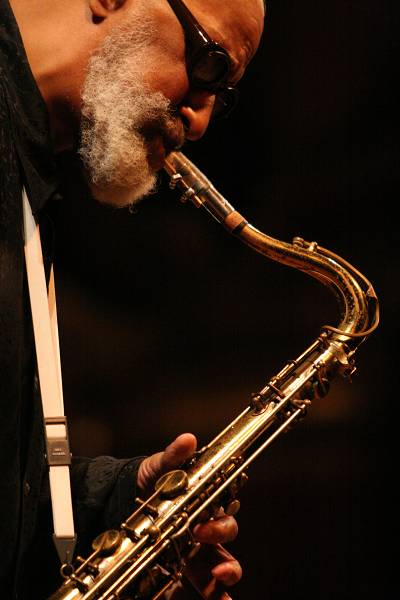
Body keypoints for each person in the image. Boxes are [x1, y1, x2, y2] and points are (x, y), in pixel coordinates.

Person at [0, 0, 265, 597]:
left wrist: (128, 502)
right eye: (210, 64)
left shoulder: (33, 184)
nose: (200, 120)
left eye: (224, 97)